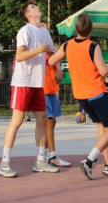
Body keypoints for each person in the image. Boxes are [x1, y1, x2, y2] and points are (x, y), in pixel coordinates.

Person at [48, 13, 108, 180]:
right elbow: (104, 71)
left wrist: (57, 64)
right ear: (92, 29)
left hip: (81, 95)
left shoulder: (68, 45)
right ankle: (89, 161)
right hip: (97, 92)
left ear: (75, 29)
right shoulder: (93, 46)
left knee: (102, 126)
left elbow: (51, 60)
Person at [0, 0, 60, 178]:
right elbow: (20, 55)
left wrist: (61, 66)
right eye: (33, 7)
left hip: (38, 83)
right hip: (23, 83)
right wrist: (40, 49)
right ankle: (4, 162)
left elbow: (53, 54)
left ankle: (41, 160)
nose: (38, 7)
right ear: (28, 14)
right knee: (16, 122)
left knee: (42, 120)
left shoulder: (44, 32)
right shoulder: (25, 31)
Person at [39, 20, 71, 167]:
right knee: (48, 121)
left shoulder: (50, 49)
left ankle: (47, 154)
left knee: (52, 121)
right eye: (42, 27)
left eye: (47, 28)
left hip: (51, 87)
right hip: (41, 88)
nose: (46, 30)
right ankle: (49, 155)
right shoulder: (37, 48)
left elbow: (56, 57)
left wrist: (59, 68)